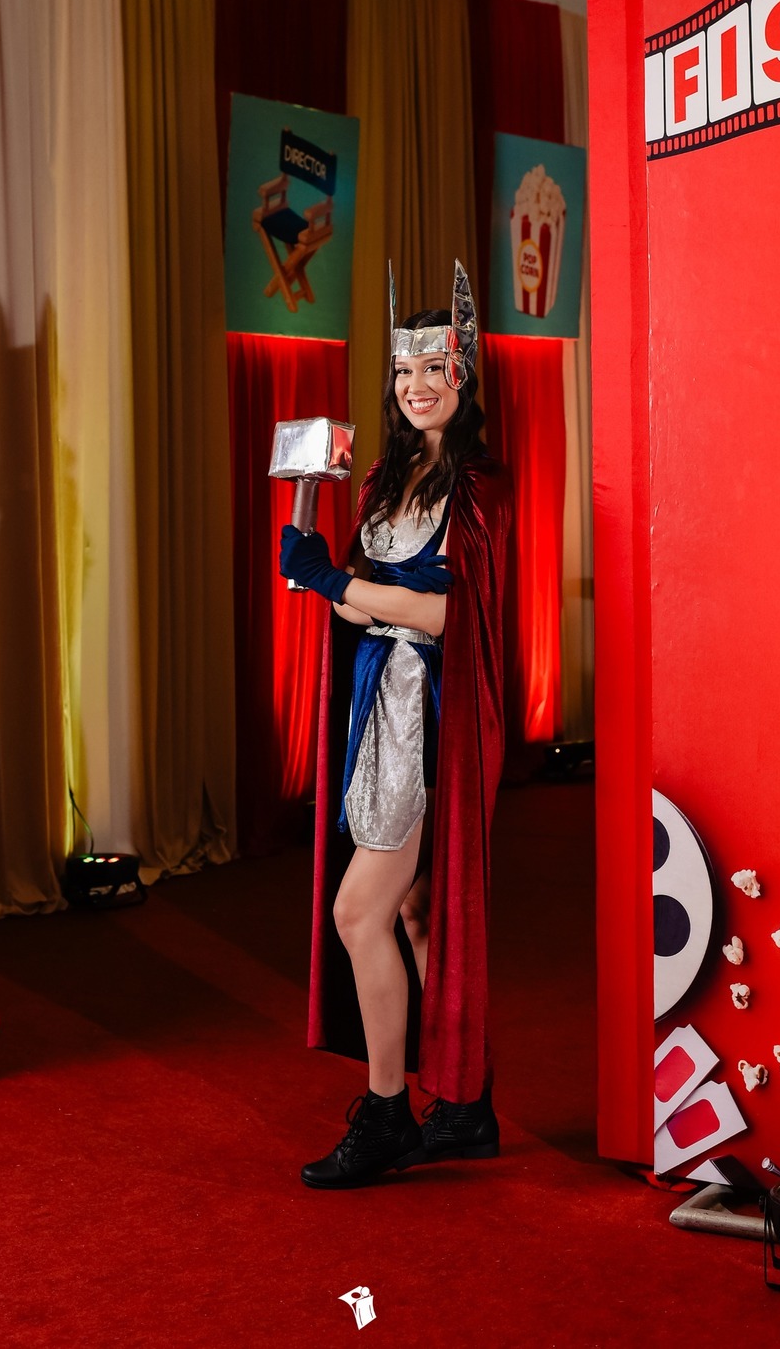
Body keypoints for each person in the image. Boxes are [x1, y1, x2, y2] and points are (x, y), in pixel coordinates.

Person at [279, 261, 512, 1189]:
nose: (416, 386)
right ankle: (464, 1106)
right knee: (414, 910)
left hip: (432, 716)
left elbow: (450, 617)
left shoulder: (478, 488)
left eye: (434, 369)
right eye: (404, 371)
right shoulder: (383, 477)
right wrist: (318, 573)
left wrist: (340, 581)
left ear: (463, 375)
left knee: (358, 910)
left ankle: (387, 1115)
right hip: (378, 703)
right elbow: (363, 609)